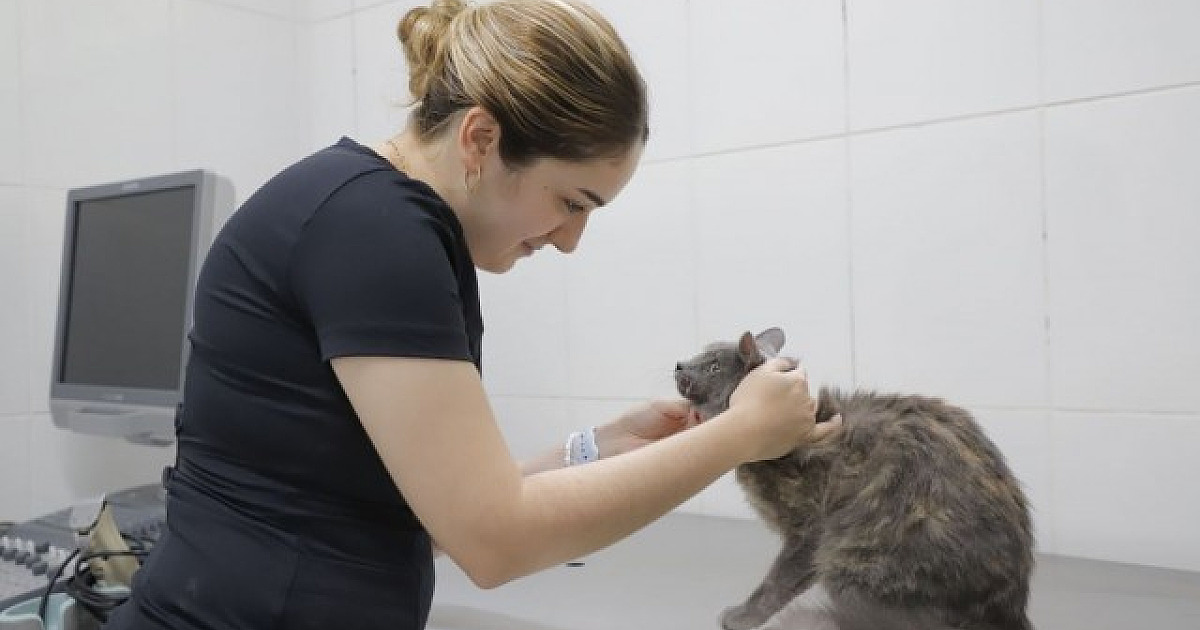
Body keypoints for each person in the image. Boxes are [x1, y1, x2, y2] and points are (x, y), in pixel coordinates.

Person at [104, 1, 841, 628]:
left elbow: (432, 509)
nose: (570, 240)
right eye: (570, 202)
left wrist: (608, 444)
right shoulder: (374, 230)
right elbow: (495, 541)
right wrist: (740, 436)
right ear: (481, 139)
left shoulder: (374, 213)